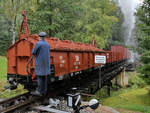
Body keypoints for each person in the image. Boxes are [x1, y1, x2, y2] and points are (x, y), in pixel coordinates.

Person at [31, 32, 50, 96]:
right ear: (44, 37)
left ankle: (39, 91)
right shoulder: (47, 44)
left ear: (39, 37)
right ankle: (44, 91)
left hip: (40, 63)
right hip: (46, 63)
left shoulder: (38, 44)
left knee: (39, 76)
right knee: (44, 77)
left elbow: (33, 52)